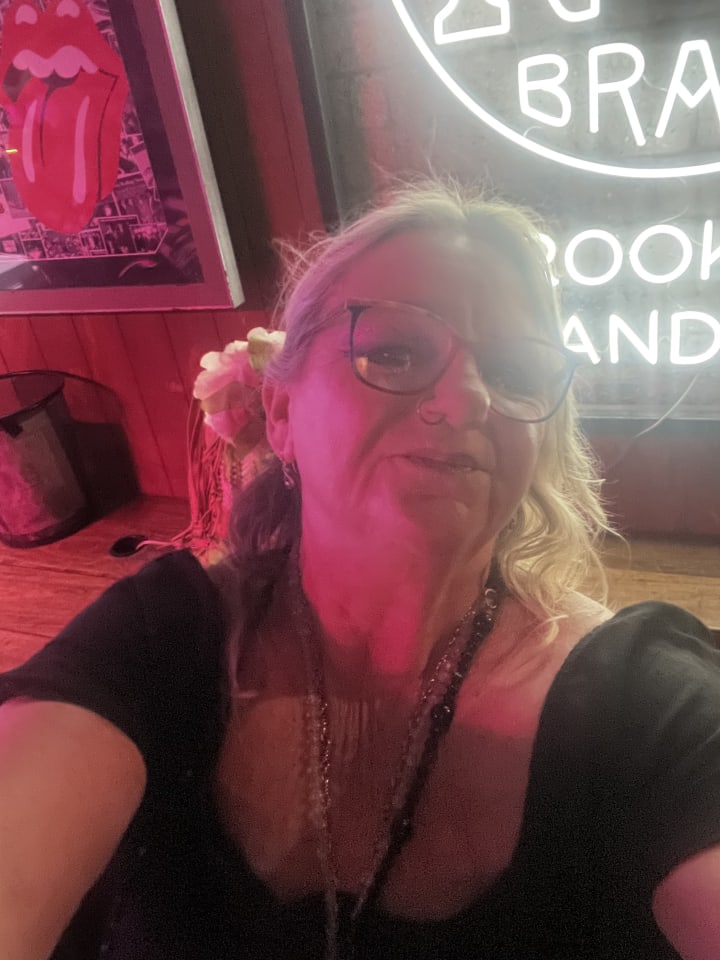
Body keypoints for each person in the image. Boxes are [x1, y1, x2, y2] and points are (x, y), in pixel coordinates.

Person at [1, 181, 719, 960]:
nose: (468, 400)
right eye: (395, 351)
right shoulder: (157, 640)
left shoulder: (645, 706)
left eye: (514, 370)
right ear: (281, 413)